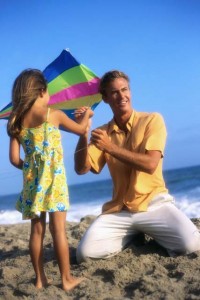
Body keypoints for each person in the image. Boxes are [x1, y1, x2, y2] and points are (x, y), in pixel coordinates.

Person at [74, 70, 200, 263]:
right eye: (114, 92)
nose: (121, 96)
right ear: (105, 98)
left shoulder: (152, 120)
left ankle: (148, 231)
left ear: (130, 92)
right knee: (84, 254)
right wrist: (83, 133)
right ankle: (132, 235)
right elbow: (82, 169)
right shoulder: (101, 132)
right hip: (120, 211)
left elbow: (150, 164)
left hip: (155, 205)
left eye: (124, 89)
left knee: (191, 245)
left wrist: (110, 147)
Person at [7, 69, 93, 290]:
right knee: (59, 231)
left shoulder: (16, 121)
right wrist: (87, 115)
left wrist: (31, 169)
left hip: (32, 184)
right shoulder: (53, 115)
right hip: (54, 183)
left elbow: (15, 159)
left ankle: (39, 279)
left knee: (37, 231)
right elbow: (81, 130)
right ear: (42, 91)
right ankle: (66, 280)